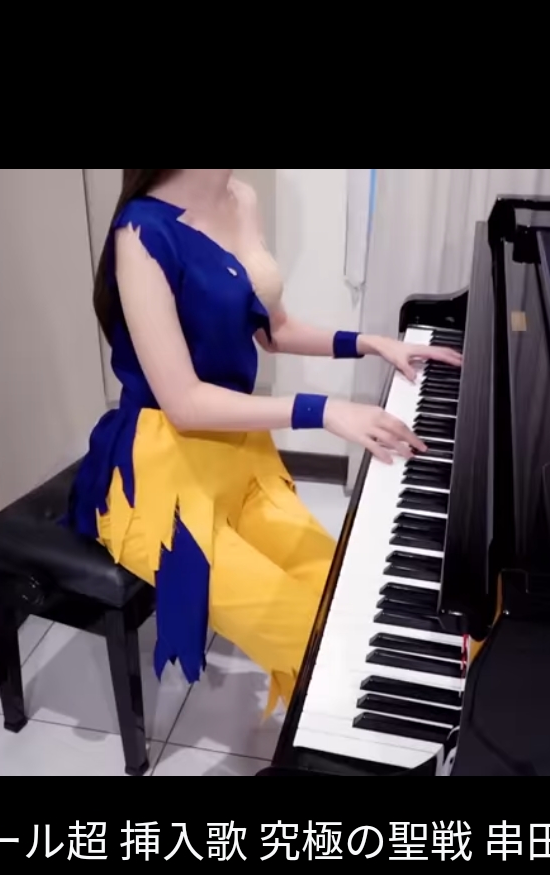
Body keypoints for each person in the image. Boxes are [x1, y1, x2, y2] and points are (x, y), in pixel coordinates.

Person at [67, 169, 462, 714]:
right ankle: (351, 729)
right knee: (311, 638)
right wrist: (323, 411)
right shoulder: (140, 233)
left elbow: (273, 330)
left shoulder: (240, 198)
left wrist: (371, 343)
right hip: (161, 475)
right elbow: (184, 403)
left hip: (239, 454)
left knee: (345, 592)